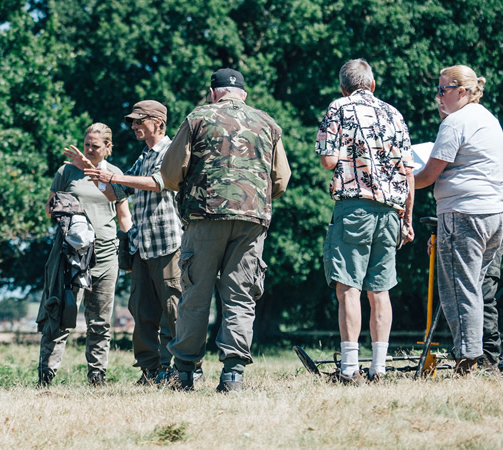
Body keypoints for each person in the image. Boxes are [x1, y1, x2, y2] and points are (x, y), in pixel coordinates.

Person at [161, 68, 291, 392]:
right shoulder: (268, 124)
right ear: (243, 95)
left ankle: (185, 374)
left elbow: (169, 173)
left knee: (194, 294)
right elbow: (281, 181)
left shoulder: (198, 117)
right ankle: (233, 375)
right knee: (240, 296)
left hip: (204, 216)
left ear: (213, 92)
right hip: (252, 220)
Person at [315, 59, 415, 384]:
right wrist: (408, 219)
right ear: (372, 85)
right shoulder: (394, 114)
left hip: (355, 206)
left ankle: (348, 369)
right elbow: (408, 171)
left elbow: (329, 160)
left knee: (349, 287)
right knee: (381, 289)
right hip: (391, 210)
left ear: (343, 86)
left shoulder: (338, 108)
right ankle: (379, 368)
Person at [84, 101, 183, 385]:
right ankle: (150, 370)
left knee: (173, 311)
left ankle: (179, 368)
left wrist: (113, 176)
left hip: (167, 244)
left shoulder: (171, 151)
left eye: (139, 121)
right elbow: (118, 192)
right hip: (142, 245)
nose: (133, 126)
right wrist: (92, 172)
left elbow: (158, 182)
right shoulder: (143, 156)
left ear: (159, 123)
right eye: (132, 122)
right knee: (141, 311)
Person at [414, 65, 503, 375]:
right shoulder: (489, 120)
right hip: (493, 214)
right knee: (476, 287)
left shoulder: (456, 122)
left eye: (443, 90)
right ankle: (481, 358)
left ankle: (468, 360)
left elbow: (427, 175)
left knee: (458, 289)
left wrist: (397, 180)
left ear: (462, 91)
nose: (439, 97)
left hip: (464, 212)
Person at [38, 122, 132, 387]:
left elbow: (124, 217)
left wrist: (130, 252)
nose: (89, 149)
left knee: (100, 321)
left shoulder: (115, 174)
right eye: (87, 144)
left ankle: (97, 377)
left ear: (108, 147)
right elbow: (49, 210)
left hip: (105, 254)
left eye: (95, 146)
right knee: (61, 315)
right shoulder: (66, 172)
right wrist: (64, 208)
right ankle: (46, 376)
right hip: (71, 256)